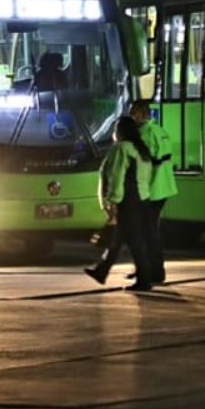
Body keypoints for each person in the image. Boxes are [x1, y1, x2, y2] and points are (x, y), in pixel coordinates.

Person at [84, 116, 157, 290]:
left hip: (127, 201)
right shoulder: (141, 149)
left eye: (115, 129)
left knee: (133, 241)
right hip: (142, 199)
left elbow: (116, 177)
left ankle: (144, 280)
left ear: (120, 131)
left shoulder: (121, 148)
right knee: (119, 238)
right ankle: (101, 271)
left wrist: (113, 202)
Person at [131, 101, 176, 284]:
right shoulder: (159, 130)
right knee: (150, 230)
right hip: (164, 186)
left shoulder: (144, 134)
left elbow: (145, 162)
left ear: (141, 114)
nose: (132, 117)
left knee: (147, 232)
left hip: (152, 188)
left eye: (134, 113)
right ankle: (148, 268)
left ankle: (154, 271)